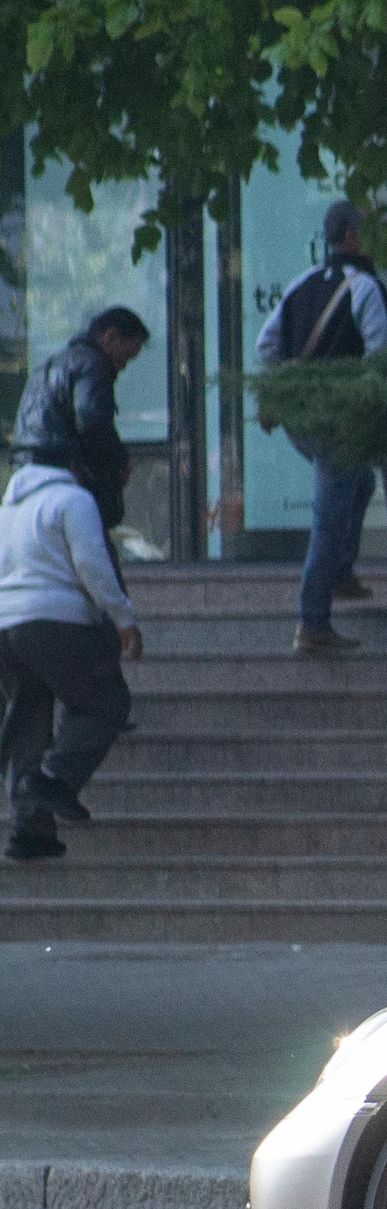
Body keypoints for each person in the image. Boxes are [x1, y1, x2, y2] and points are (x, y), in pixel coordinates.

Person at [255, 198, 387, 655]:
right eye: (371, 231)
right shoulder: (366, 288)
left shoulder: (302, 283)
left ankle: (339, 574)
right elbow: (381, 359)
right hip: (342, 421)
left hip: (304, 420)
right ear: (353, 239)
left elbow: (266, 344)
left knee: (361, 483)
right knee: (329, 518)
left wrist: (282, 393)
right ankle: (312, 622)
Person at [0, 456, 141, 863]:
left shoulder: (9, 507)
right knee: (106, 702)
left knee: (28, 717)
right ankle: (54, 776)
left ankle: (30, 833)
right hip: (55, 620)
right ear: (77, 465)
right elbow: (92, 565)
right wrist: (123, 619)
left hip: (6, 626)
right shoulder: (72, 499)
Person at [12, 307, 148, 548]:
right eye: (125, 356)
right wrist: (117, 462)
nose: (123, 366)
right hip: (66, 472)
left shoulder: (51, 365)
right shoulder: (92, 364)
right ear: (110, 337)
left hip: (26, 474)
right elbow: (92, 420)